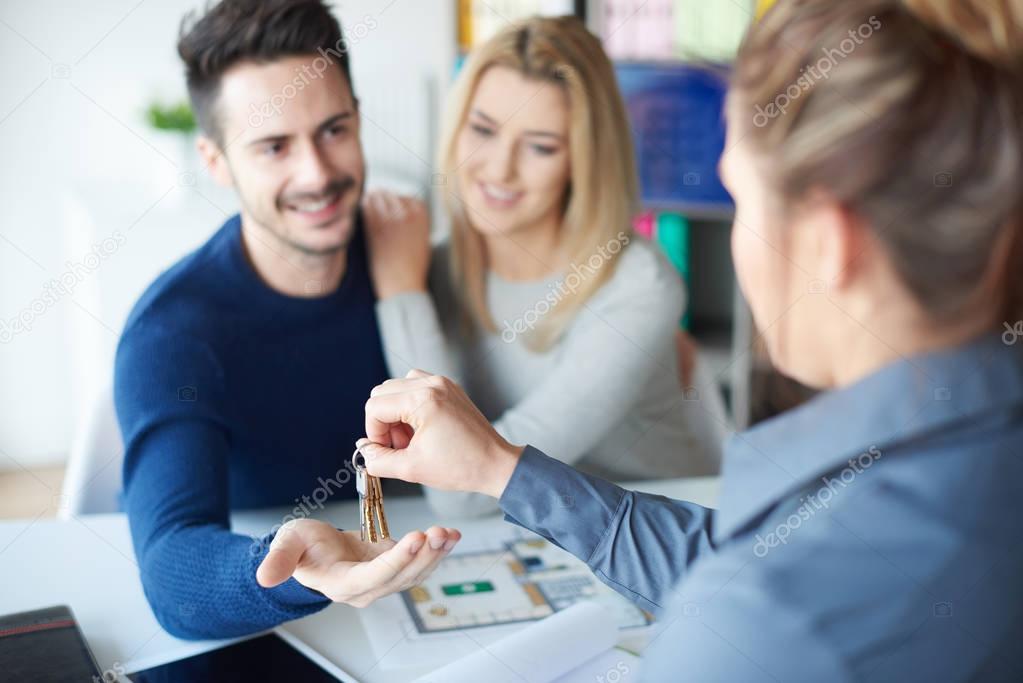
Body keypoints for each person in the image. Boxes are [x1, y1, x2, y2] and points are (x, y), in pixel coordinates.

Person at [356, 0, 1023, 678]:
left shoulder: (764, 625)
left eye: (740, 201)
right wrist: (502, 467)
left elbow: (751, 605)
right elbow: (739, 570)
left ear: (827, 245)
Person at [114, 0, 458, 640]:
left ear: (359, 120)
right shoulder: (175, 331)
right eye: (274, 146)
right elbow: (170, 567)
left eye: (333, 130)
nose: (318, 174)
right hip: (281, 625)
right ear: (215, 161)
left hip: (421, 597)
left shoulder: (407, 262)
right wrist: (292, 566)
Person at [362, 16, 725, 518]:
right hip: (528, 540)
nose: (499, 168)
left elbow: (461, 492)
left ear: (584, 159)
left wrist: (400, 291)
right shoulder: (437, 266)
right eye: (483, 129)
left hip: (656, 532)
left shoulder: (637, 283)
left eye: (540, 146)